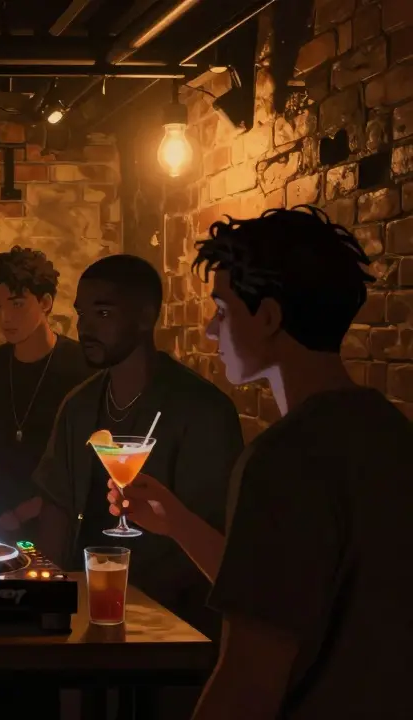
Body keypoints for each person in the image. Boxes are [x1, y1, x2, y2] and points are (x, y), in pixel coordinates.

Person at [110, 207, 411, 720]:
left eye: (222, 310)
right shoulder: (392, 433)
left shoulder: (284, 457)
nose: (209, 329)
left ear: (268, 317)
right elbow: (296, 588)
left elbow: (249, 678)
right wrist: (179, 523)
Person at [24, 254, 243, 640]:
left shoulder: (201, 409)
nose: (85, 327)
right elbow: (56, 509)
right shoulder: (78, 406)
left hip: (176, 626)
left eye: (103, 314)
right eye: (81, 314)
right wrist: (44, 605)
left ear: (145, 318)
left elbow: (216, 537)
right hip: (87, 610)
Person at [0, 247, 91, 539]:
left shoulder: (81, 368)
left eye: (17, 304)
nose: (5, 316)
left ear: (45, 302)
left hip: (56, 523)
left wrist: (22, 513)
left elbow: (83, 469)